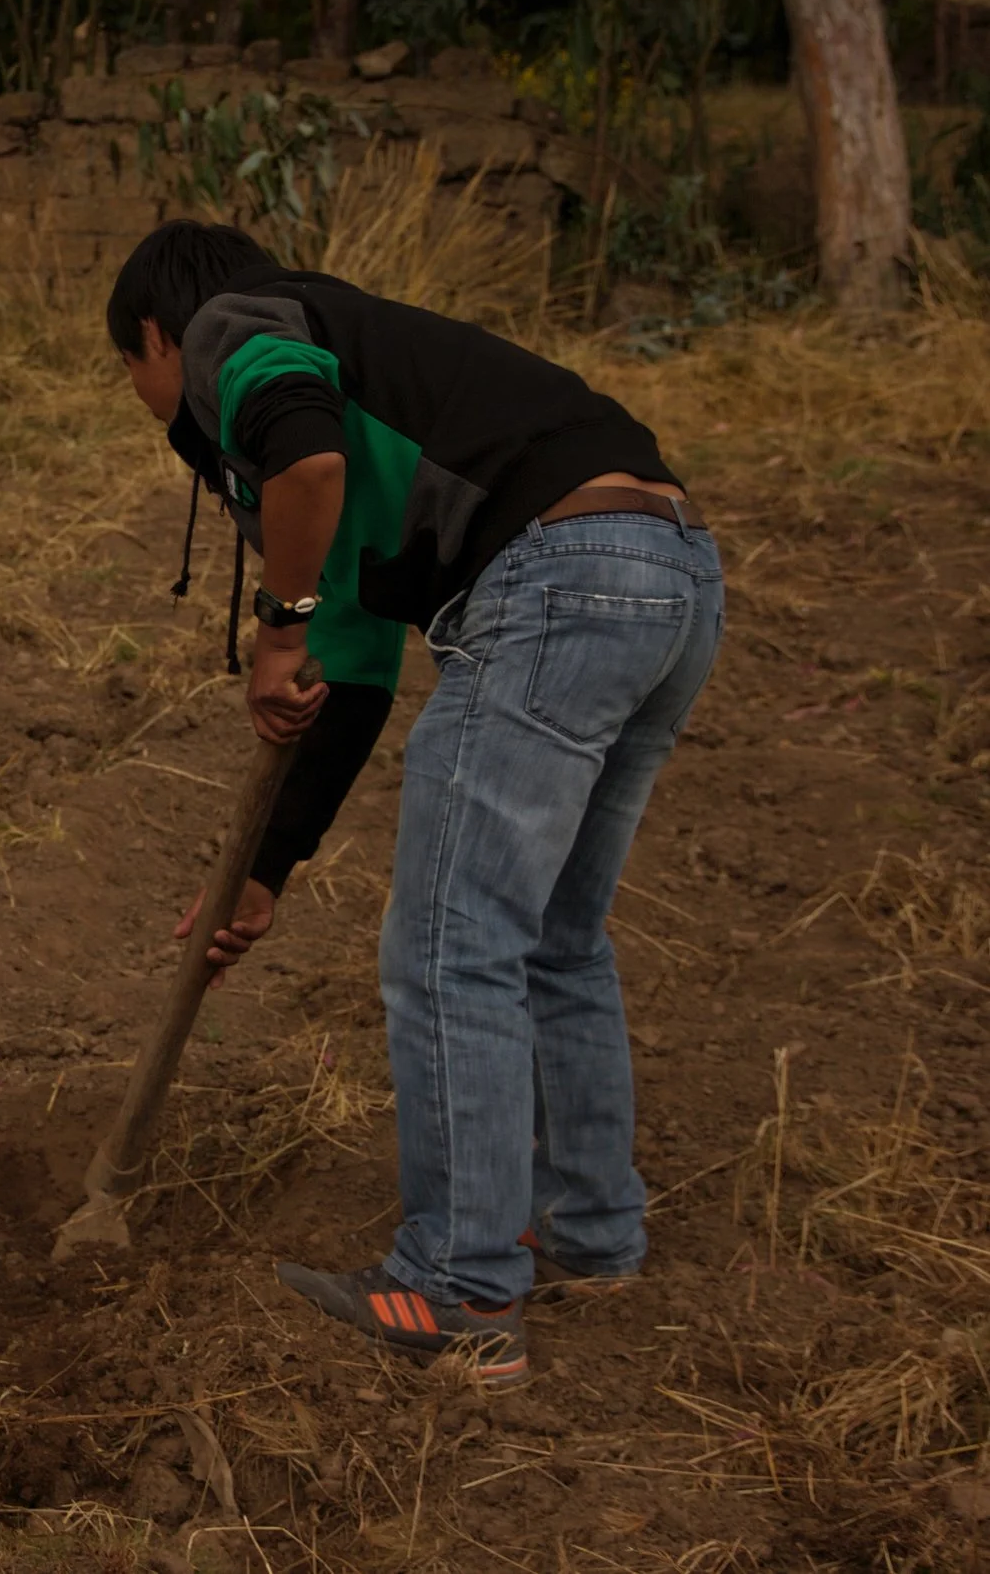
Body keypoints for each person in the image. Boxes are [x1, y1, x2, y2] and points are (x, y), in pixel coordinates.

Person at [106, 220, 724, 1386]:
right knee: (554, 938)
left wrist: (274, 623)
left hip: (556, 574)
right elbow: (354, 675)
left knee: (452, 942)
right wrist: (263, 872)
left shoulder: (235, 328)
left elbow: (302, 461)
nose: (142, 399)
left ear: (156, 335)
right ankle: (591, 1236)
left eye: (129, 372)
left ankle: (459, 1287)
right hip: (670, 570)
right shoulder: (356, 372)